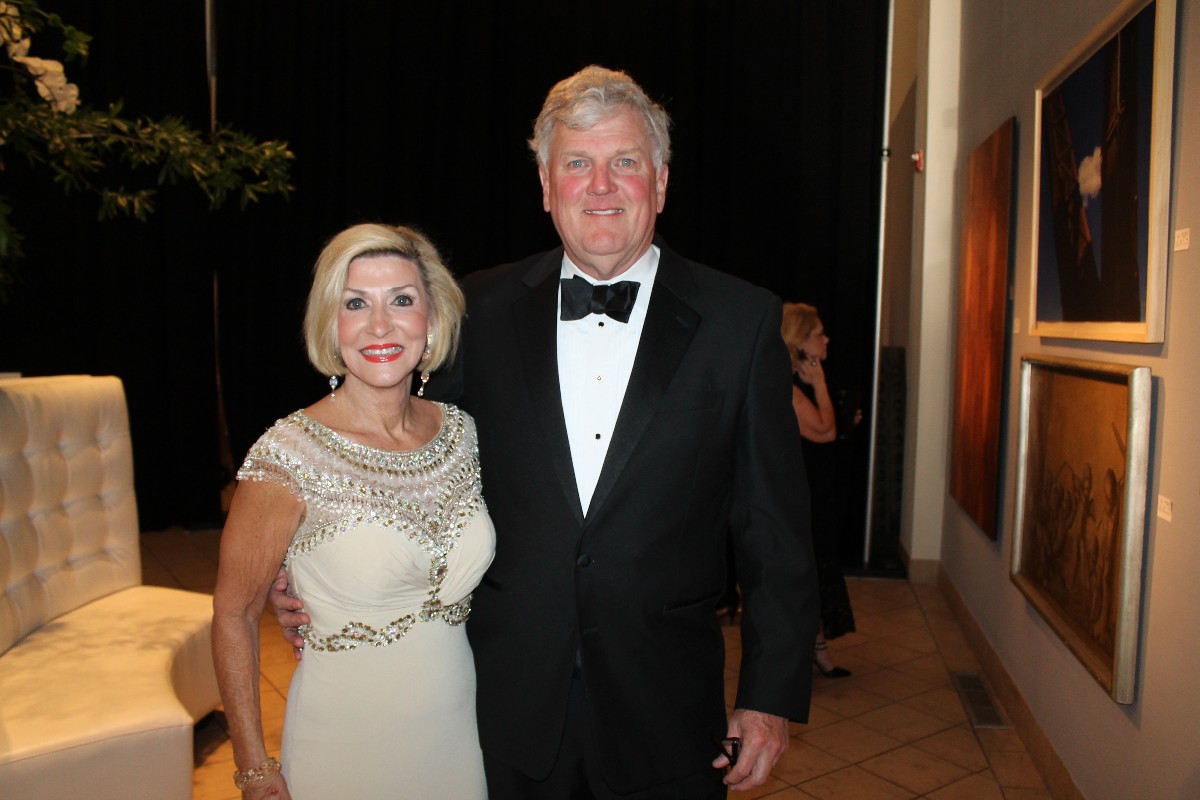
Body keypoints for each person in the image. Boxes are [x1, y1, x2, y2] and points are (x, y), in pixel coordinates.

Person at [272, 65, 819, 799]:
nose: (601, 186)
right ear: (544, 185)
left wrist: (770, 696)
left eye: (625, 162)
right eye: (577, 164)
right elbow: (390, 447)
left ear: (661, 182)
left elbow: (773, 527)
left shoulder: (741, 321)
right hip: (501, 706)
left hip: (667, 711)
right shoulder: (477, 311)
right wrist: (303, 569)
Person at [212, 223, 495, 799]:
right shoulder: (287, 455)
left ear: (432, 320)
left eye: (402, 300)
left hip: (457, 734)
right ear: (330, 325)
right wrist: (254, 769)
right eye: (356, 303)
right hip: (344, 741)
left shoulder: (463, 433)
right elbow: (233, 615)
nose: (380, 325)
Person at [781, 302, 858, 678]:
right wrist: (822, 386)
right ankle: (806, 653)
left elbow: (833, 429)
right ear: (799, 342)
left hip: (818, 491)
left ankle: (818, 648)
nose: (826, 340)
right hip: (799, 496)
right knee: (806, 575)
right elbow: (824, 431)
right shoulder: (789, 385)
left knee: (817, 569)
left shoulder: (807, 380)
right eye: (818, 334)